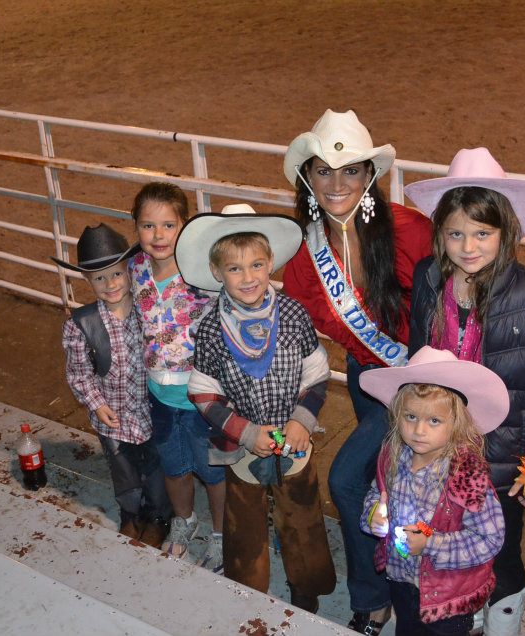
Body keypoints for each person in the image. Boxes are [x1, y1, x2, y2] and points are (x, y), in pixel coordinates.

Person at [282, 109, 433, 633]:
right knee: (382, 484)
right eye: (324, 170)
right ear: (308, 178)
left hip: (428, 386)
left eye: (350, 170)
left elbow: (473, 282)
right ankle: (390, 587)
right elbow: (293, 327)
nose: (337, 183)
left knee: (348, 480)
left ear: (370, 175)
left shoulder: (413, 232)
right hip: (370, 382)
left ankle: (380, 595)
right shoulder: (304, 255)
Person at [406, 147, 525, 635]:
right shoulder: (427, 279)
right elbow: (417, 361)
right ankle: (466, 604)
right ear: (440, 234)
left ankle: (503, 623)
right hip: (441, 447)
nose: (468, 246)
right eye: (455, 233)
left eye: (482, 233)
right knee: (451, 536)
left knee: (503, 550)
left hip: (503, 456)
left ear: (506, 233)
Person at [180, 204, 336, 612]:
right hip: (243, 446)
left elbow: (317, 373)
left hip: (294, 438)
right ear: (217, 273)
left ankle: (307, 583)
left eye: (256, 265)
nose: (247, 277)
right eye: (234, 269)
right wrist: (246, 432)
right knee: (244, 525)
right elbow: (203, 393)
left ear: (270, 265)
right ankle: (248, 586)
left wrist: (302, 420)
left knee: (301, 516)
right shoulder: (213, 328)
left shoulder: (294, 315)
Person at [359, 346, 510, 636]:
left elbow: (489, 538)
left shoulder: (466, 475)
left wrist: (430, 543)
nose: (419, 431)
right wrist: (373, 517)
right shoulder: (392, 457)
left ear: (457, 424)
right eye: (411, 417)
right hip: (402, 580)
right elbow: (375, 496)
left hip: (448, 597)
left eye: (434, 421)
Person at [128, 182, 226, 571]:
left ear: (184, 226)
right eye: (148, 225)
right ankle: (183, 521)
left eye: (168, 225)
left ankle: (221, 535)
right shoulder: (134, 269)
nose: (158, 235)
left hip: (205, 399)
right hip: (159, 395)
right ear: (135, 227)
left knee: (214, 470)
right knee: (174, 467)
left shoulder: (204, 274)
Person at [55, 223, 172, 546]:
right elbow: (79, 372)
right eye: (99, 278)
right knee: (122, 469)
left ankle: (159, 514)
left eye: (116, 274)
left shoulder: (148, 310)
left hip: (151, 412)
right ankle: (131, 513)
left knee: (155, 467)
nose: (110, 284)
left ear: (130, 271)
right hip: (113, 416)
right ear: (87, 281)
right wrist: (97, 404)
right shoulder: (81, 324)